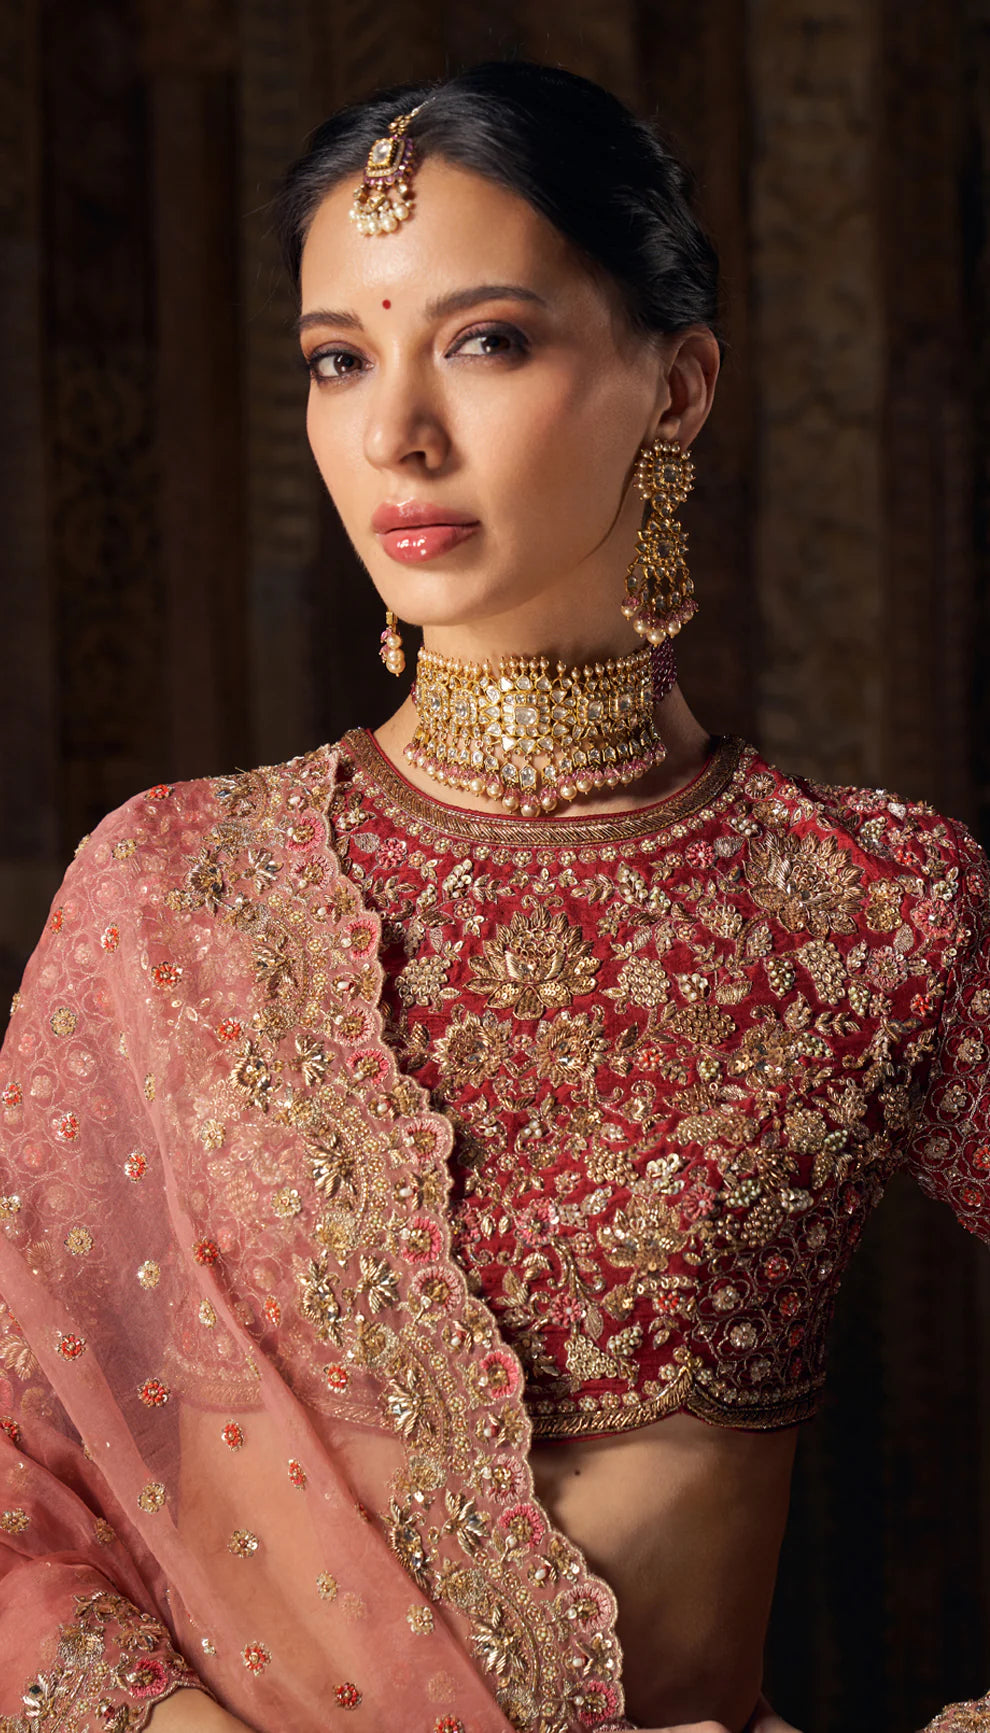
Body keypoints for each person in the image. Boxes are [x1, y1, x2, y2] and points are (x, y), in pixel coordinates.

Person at [0, 58, 987, 1733]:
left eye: (485, 340)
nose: (393, 430)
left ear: (676, 387)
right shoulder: (173, 890)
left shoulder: (871, 904)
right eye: (337, 359)